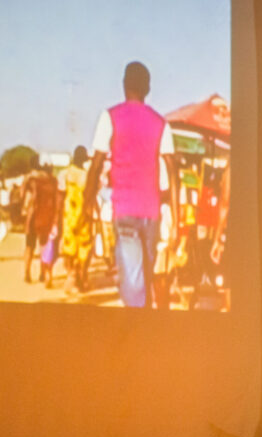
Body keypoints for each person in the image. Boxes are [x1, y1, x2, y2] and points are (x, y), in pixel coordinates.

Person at [83, 61, 179, 308]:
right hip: (152, 214)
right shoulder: (161, 123)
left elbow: (95, 166)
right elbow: (173, 171)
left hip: (124, 210)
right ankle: (143, 331)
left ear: (124, 85)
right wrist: (176, 220)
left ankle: (137, 334)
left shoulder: (110, 117)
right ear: (148, 88)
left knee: (135, 285)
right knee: (142, 279)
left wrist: (86, 203)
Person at [58, 145, 92, 296]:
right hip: (83, 215)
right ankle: (79, 279)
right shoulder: (87, 175)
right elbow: (90, 198)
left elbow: (60, 197)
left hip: (69, 214)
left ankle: (72, 277)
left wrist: (58, 216)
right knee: (84, 248)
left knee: (70, 248)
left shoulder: (65, 174)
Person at [20, 158, 59, 284]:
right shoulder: (53, 181)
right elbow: (56, 201)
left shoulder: (32, 180)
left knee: (29, 246)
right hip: (47, 216)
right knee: (44, 246)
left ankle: (27, 272)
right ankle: (44, 273)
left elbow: (22, 194)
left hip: (33, 216)